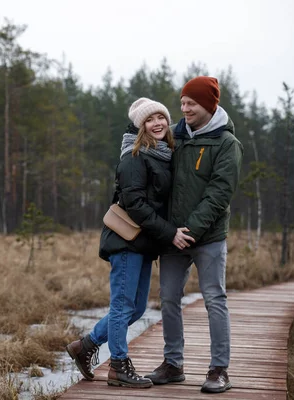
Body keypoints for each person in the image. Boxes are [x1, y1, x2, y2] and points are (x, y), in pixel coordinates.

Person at [66, 98, 195, 388]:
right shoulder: (134, 157)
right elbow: (135, 204)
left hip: (143, 243)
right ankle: (118, 367)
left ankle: (85, 346)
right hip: (126, 242)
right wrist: (170, 232)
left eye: (162, 116)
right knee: (123, 305)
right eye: (150, 119)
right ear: (141, 126)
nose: (158, 122)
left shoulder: (162, 153)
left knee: (135, 309)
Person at [144, 76, 243, 394]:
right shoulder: (174, 137)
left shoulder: (227, 144)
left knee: (215, 299)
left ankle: (219, 370)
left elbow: (219, 193)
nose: (183, 108)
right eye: (182, 102)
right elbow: (141, 151)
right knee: (169, 298)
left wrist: (192, 231)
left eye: (191, 103)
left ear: (209, 105)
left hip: (209, 237)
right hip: (173, 238)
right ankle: (173, 365)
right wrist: (169, 231)